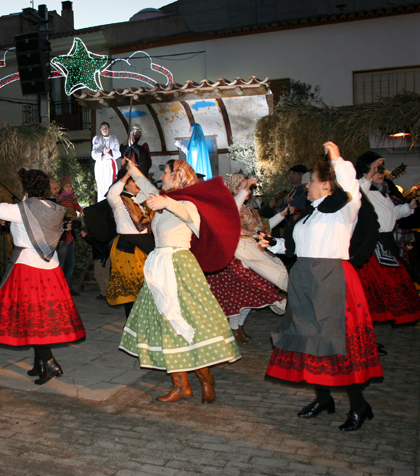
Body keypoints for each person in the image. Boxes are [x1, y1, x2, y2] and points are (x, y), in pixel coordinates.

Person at [260, 142, 383, 432]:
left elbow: (350, 182)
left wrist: (337, 158)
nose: (307, 185)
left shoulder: (344, 209)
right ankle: (323, 398)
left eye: (312, 181)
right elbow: (296, 247)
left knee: (334, 343)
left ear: (327, 186)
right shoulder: (309, 213)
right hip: (305, 279)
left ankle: (359, 406)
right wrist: (272, 244)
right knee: (307, 340)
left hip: (331, 280)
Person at [118, 158, 241, 404]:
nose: (161, 177)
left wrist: (167, 202)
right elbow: (147, 187)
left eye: (165, 173)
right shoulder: (164, 200)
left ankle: (206, 379)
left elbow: (187, 213)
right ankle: (181, 385)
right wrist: (132, 167)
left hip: (179, 268)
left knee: (189, 322)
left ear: (177, 176)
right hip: (158, 268)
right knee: (166, 326)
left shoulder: (189, 204)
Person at [0, 169, 86, 385]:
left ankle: (50, 363)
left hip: (28, 268)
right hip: (50, 267)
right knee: (41, 317)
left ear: (25, 188)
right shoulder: (52, 208)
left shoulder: (22, 209)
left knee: (32, 318)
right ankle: (39, 363)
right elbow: (29, 212)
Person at [206, 173, 288, 344]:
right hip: (236, 258)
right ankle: (234, 329)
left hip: (252, 254)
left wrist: (283, 214)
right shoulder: (226, 208)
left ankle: (240, 327)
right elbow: (232, 213)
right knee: (237, 297)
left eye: (248, 188)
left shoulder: (248, 210)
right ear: (233, 190)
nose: (247, 191)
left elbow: (264, 227)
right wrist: (246, 188)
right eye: (243, 187)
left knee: (250, 296)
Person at [354, 151, 420, 325]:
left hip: (386, 241)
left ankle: (393, 314)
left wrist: (409, 206)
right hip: (373, 244)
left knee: (394, 278)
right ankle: (381, 315)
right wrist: (370, 173)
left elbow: (393, 214)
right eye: (377, 170)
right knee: (385, 280)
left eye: (381, 171)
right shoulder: (360, 189)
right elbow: (356, 192)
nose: (381, 174)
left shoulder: (381, 193)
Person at [106, 168, 155, 318]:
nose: (138, 183)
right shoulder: (119, 200)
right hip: (129, 248)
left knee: (149, 289)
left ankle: (146, 325)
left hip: (146, 245)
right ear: (125, 184)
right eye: (134, 180)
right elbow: (112, 193)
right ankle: (133, 327)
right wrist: (127, 173)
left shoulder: (142, 201)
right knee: (133, 292)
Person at [56, 176, 83, 296]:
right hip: (62, 230)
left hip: (70, 229)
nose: (69, 188)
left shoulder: (72, 197)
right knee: (61, 261)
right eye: (66, 186)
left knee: (70, 262)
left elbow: (76, 205)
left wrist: (80, 210)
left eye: (70, 186)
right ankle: (58, 287)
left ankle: (68, 286)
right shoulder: (58, 199)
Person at [91, 122, 121, 202]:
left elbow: (118, 153)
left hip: (111, 164)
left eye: (106, 128)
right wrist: (103, 152)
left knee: (112, 183)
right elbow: (94, 154)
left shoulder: (114, 139)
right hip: (101, 165)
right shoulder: (97, 139)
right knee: (101, 185)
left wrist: (110, 151)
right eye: (103, 128)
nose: (104, 130)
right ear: (100, 130)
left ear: (109, 129)